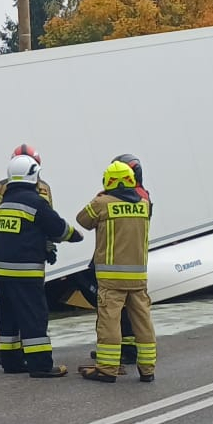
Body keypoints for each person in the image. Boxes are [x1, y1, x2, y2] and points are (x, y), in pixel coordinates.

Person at [0, 153, 78, 377]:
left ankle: (11, 362)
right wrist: (74, 235)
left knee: (8, 317)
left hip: (1, 272)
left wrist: (43, 244)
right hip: (26, 272)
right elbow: (57, 227)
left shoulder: (4, 203)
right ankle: (40, 365)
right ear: (32, 176)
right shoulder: (34, 202)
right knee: (34, 317)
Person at [77, 160, 157, 383]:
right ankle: (148, 369)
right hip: (138, 277)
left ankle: (107, 369)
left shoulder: (102, 203)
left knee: (109, 322)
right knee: (143, 323)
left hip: (111, 279)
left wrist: (100, 196)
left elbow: (82, 220)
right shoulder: (144, 204)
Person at [0, 144, 41, 362]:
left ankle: (27, 344)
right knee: (6, 300)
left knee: (30, 302)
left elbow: (45, 215)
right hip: (15, 254)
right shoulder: (1, 187)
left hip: (32, 254)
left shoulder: (43, 187)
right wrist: (1, 239)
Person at [111, 153, 149, 367]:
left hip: (117, 263)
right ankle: (136, 353)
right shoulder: (143, 196)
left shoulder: (116, 198)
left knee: (116, 312)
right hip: (137, 264)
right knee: (137, 312)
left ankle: (123, 352)